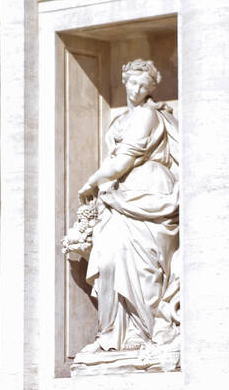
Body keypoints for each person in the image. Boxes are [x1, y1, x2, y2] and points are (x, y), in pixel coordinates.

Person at [76, 59, 180, 352]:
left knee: (145, 265)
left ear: (150, 90)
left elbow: (123, 160)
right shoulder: (118, 121)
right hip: (119, 195)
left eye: (143, 86)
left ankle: (144, 332)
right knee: (109, 260)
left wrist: (91, 183)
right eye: (132, 83)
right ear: (124, 81)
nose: (136, 89)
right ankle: (112, 333)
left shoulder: (147, 116)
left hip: (148, 188)